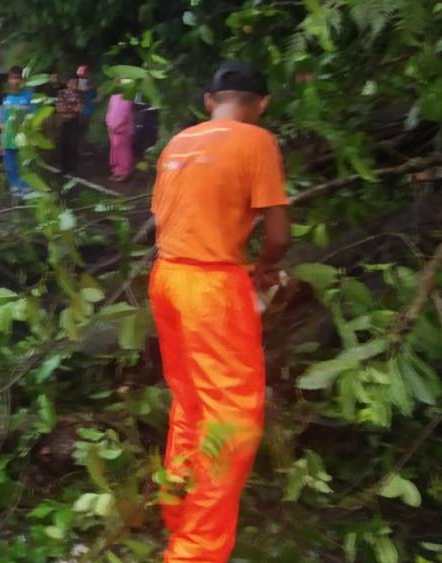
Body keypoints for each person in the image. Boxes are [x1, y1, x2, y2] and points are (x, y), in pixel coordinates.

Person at [148, 61, 290, 563]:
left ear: (209, 100)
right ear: (262, 104)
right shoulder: (257, 141)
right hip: (213, 286)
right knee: (231, 422)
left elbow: (165, 218)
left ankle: (176, 507)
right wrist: (266, 269)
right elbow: (277, 236)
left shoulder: (179, 142)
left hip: (167, 279)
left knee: (190, 407)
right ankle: (195, 552)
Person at [0, 65, 34, 195]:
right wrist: (1, 142)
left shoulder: (29, 97)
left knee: (24, 166)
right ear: (9, 80)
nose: (16, 81)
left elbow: (35, 119)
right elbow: (3, 121)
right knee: (10, 168)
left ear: (23, 80)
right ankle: (15, 190)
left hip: (24, 140)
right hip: (9, 140)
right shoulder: (7, 99)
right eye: (13, 78)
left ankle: (26, 189)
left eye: (18, 78)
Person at [55, 74, 84, 175]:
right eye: (71, 83)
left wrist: (67, 107)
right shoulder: (61, 93)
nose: (73, 85)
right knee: (64, 145)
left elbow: (79, 109)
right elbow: (59, 108)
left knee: (74, 146)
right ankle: (64, 168)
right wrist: (72, 107)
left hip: (75, 122)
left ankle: (73, 169)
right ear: (67, 83)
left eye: (75, 83)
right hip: (65, 122)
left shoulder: (79, 94)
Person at [105, 92, 135, 182]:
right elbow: (109, 111)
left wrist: (117, 126)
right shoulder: (113, 97)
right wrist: (109, 124)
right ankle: (116, 171)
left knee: (123, 150)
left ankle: (125, 172)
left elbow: (125, 114)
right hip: (112, 129)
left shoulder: (128, 97)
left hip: (123, 129)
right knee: (114, 150)